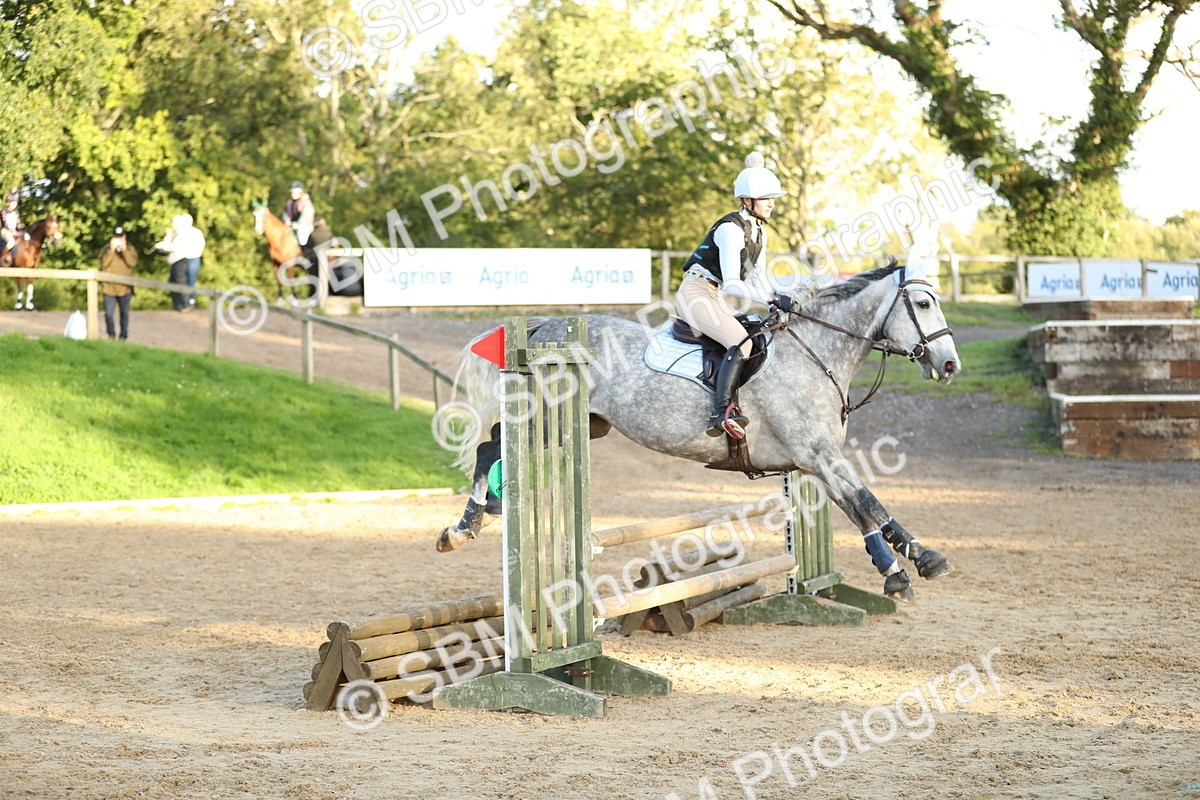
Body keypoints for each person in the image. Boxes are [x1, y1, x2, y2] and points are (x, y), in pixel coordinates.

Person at [676, 152, 813, 439]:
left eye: (773, 198)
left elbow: (759, 278)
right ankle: (721, 412)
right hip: (696, 293)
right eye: (766, 199)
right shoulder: (730, 229)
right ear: (747, 201)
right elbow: (734, 283)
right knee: (740, 342)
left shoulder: (759, 233)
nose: (772, 204)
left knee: (758, 334)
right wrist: (770, 300)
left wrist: (776, 297)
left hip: (715, 295)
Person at [154, 214, 206, 311]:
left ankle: (189, 303)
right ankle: (179, 304)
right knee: (176, 282)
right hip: (180, 259)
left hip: (191, 258)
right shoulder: (177, 233)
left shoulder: (193, 232)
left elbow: (179, 247)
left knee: (189, 281)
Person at [99, 226, 138, 340]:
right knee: (108, 314)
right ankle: (111, 334)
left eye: (120, 237)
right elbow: (104, 264)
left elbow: (132, 263)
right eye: (116, 237)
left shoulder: (130, 249)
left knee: (124, 313)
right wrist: (111, 250)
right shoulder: (107, 249)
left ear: (124, 237)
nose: (118, 239)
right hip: (109, 288)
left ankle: (123, 336)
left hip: (125, 288)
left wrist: (124, 250)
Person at [281, 180, 315, 248]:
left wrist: (298, 223)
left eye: (294, 192)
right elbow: (285, 213)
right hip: (291, 225)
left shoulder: (306, 202)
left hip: (304, 226)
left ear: (300, 192)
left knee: (302, 239)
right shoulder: (289, 203)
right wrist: (288, 222)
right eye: (292, 192)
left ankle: (304, 251)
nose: (292, 194)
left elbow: (307, 213)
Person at [0, 189, 23, 265]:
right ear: (8, 203)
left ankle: (12, 258)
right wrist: (13, 231)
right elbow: (5, 223)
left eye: (15, 202)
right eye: (13, 202)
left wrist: (21, 231)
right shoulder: (4, 211)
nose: (15, 204)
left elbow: (18, 223)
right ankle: (1, 257)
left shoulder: (16, 212)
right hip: (5, 231)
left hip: (14, 231)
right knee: (11, 242)